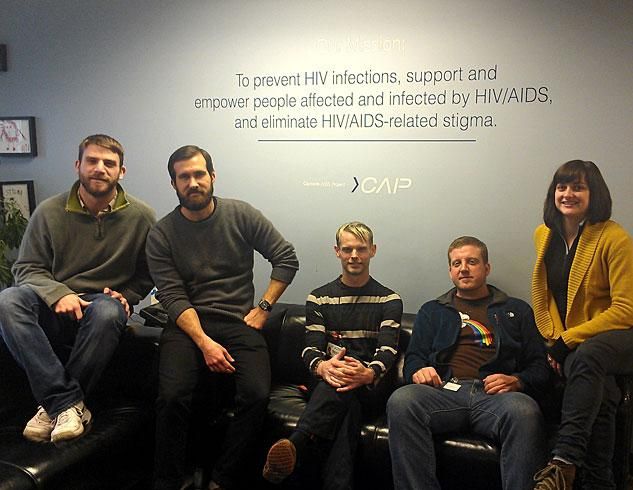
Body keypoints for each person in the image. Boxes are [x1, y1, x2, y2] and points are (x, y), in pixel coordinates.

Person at [146, 145, 299, 490]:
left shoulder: (241, 215)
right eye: (184, 177)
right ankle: (168, 481)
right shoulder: (161, 233)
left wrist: (264, 307)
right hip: (186, 325)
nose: (193, 182)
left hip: (238, 321)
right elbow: (172, 296)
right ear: (173, 184)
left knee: (256, 395)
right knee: (172, 397)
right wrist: (205, 343)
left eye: (199, 174)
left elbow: (286, 258)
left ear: (212, 176)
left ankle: (223, 478)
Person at [0, 134, 155, 443]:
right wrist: (60, 294)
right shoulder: (49, 211)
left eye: (109, 163)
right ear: (78, 166)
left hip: (102, 303)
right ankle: (65, 404)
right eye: (92, 161)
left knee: (109, 311)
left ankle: (53, 407)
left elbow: (148, 273)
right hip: (51, 304)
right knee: (8, 300)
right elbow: (26, 268)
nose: (100, 168)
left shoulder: (142, 216)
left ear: (121, 171)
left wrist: (128, 296)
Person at [387, 236, 550, 490]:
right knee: (402, 401)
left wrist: (518, 381)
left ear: (487, 268)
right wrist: (418, 371)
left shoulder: (517, 310)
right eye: (457, 263)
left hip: (495, 396)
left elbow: (540, 366)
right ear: (450, 271)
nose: (463, 268)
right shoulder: (432, 310)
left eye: (472, 262)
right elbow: (414, 358)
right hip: (444, 392)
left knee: (525, 411)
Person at [262, 221, 403, 489]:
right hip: (329, 377)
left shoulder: (389, 300)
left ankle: (297, 442)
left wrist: (368, 373)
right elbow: (310, 348)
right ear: (337, 252)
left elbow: (388, 349)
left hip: (368, 383)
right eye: (347, 249)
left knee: (343, 391)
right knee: (346, 406)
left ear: (373, 250)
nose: (354, 256)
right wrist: (322, 367)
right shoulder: (318, 298)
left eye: (361, 249)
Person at [531, 160, 633, 489]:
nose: (568, 194)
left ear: (594, 193)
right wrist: (555, 340)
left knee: (587, 356)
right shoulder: (544, 235)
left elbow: (626, 310)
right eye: (562, 187)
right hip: (581, 346)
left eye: (578, 187)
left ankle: (563, 462)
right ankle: (600, 481)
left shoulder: (615, 238)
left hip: (621, 335)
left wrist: (568, 341)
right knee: (602, 389)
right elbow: (546, 294)